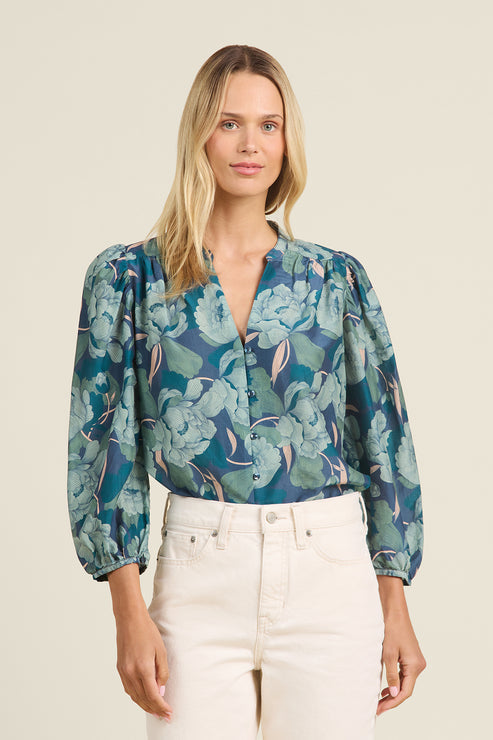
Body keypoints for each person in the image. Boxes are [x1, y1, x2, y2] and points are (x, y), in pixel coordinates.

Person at [67, 44, 426, 739]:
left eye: (269, 124)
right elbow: (102, 447)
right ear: (198, 134)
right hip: (198, 571)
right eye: (229, 122)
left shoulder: (334, 280)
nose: (249, 144)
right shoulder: (129, 280)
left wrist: (395, 603)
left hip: (328, 573)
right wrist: (127, 611)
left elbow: (383, 440)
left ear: (288, 142)